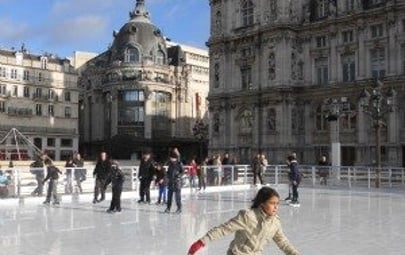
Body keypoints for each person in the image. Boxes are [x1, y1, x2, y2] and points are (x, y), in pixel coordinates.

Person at [187, 187, 300, 255]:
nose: (276, 207)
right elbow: (223, 229)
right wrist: (201, 242)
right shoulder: (248, 216)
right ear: (262, 203)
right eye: (272, 203)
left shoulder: (275, 223)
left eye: (277, 204)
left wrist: (294, 253)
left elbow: (282, 242)